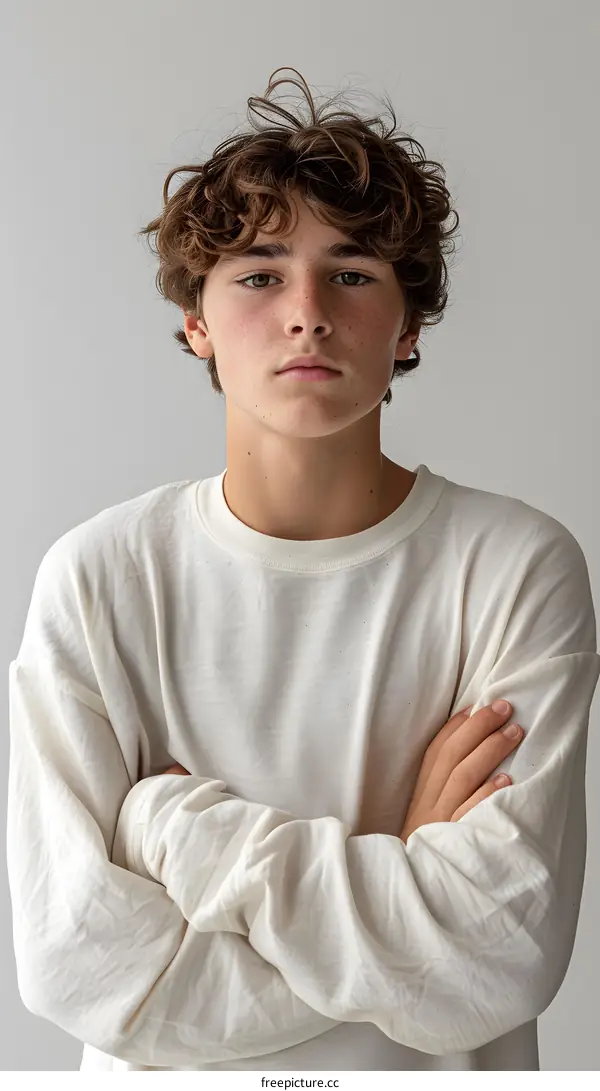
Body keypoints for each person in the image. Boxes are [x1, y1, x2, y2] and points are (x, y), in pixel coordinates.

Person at [7, 67, 600, 1073]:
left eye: (353, 273)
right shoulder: (100, 576)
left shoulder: (513, 566)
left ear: (408, 326)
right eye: (259, 274)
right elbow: (80, 964)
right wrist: (403, 887)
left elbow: (496, 957)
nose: (307, 312)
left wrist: (178, 828)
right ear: (196, 321)